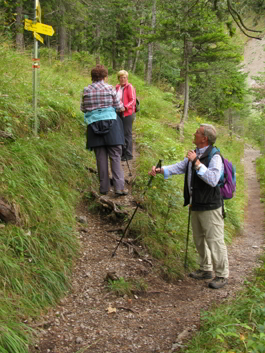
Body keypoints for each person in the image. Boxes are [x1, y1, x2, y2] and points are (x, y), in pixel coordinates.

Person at [149, 124, 229, 289]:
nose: (194, 133)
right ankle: (206, 269)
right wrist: (160, 170)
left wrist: (197, 164)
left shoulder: (215, 156)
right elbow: (180, 167)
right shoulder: (195, 153)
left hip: (211, 206)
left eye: (197, 132)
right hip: (196, 203)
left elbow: (213, 179)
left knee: (214, 241)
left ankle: (222, 275)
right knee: (199, 239)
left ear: (204, 138)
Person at [80, 64, 128, 196]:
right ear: (105, 77)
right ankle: (119, 187)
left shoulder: (86, 90)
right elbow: (119, 106)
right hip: (111, 125)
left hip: (93, 126)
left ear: (92, 77)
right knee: (115, 156)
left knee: (101, 158)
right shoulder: (110, 88)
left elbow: (83, 108)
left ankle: (104, 188)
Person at [116, 70, 136, 161]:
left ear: (127, 78)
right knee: (120, 133)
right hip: (118, 112)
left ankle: (128, 154)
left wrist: (126, 107)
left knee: (127, 133)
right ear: (118, 78)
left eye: (124, 77)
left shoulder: (129, 87)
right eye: (121, 77)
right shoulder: (117, 87)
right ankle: (122, 153)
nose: (123, 79)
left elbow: (133, 100)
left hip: (128, 113)